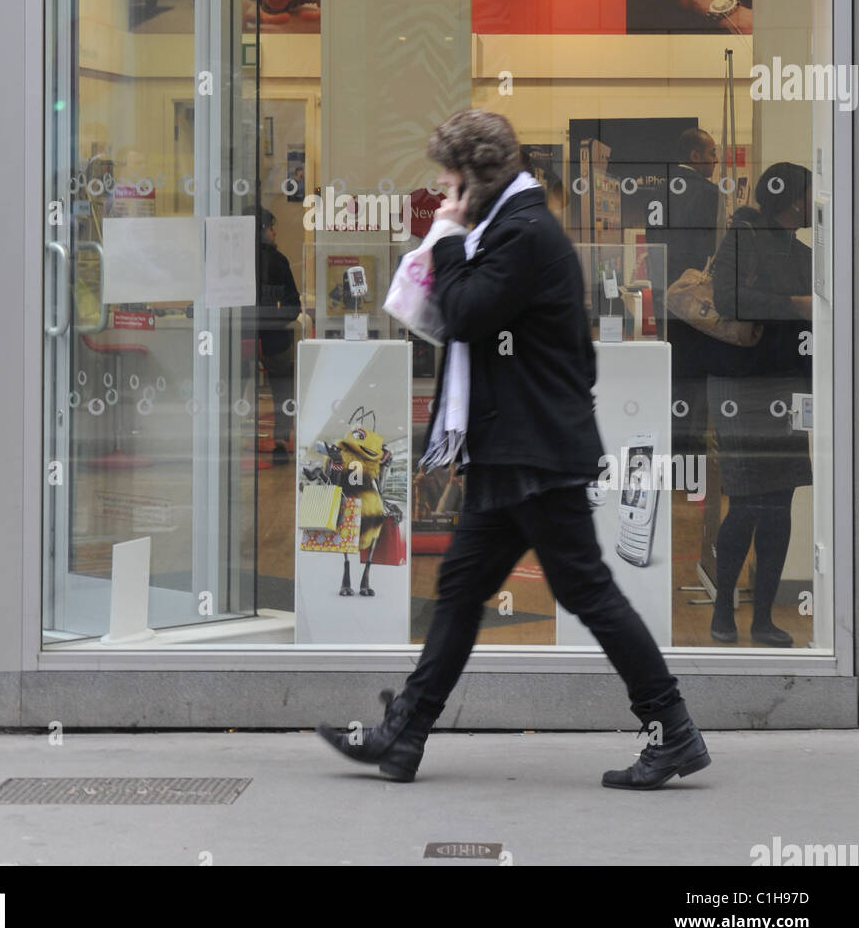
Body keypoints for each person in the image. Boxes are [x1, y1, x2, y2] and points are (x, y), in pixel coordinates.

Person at [317, 109, 710, 788]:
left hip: (534, 451)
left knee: (585, 591)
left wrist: (443, 236)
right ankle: (403, 737)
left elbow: (466, 311)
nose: (441, 190)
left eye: (448, 178)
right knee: (461, 589)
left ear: (473, 177)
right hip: (516, 447)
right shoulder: (513, 226)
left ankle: (670, 730)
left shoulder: (523, 231)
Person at [707, 164, 812, 647]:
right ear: (790, 200)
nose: (814, 204)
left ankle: (764, 617)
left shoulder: (807, 252)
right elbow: (727, 299)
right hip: (740, 386)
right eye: (808, 195)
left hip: (788, 389)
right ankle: (724, 605)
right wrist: (795, 303)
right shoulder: (743, 237)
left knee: (781, 502)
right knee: (748, 500)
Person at [647, 127, 722, 459]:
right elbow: (713, 250)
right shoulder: (709, 193)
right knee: (694, 379)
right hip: (694, 297)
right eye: (711, 154)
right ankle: (689, 456)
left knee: (671, 373)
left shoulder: (658, 190)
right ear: (694, 156)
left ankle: (669, 449)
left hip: (664, 295)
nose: (716, 161)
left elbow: (653, 246)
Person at [244, 207, 301, 463]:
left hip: (240, 335)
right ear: (259, 231)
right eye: (269, 227)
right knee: (282, 389)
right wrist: (275, 322)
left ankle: (228, 440)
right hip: (274, 338)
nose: (273, 231)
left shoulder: (235, 260)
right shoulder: (278, 261)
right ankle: (280, 439)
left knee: (234, 387)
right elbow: (293, 306)